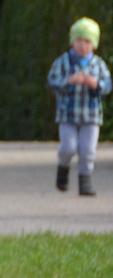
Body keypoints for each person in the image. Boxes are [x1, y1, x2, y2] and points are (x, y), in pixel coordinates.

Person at [48, 18, 110, 196]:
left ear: (94, 44)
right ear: (72, 41)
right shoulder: (63, 62)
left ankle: (85, 181)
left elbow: (107, 85)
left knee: (88, 150)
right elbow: (52, 81)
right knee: (68, 147)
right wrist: (68, 81)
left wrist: (95, 84)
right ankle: (63, 167)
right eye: (79, 40)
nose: (83, 45)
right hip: (68, 115)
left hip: (91, 116)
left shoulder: (98, 64)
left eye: (88, 41)